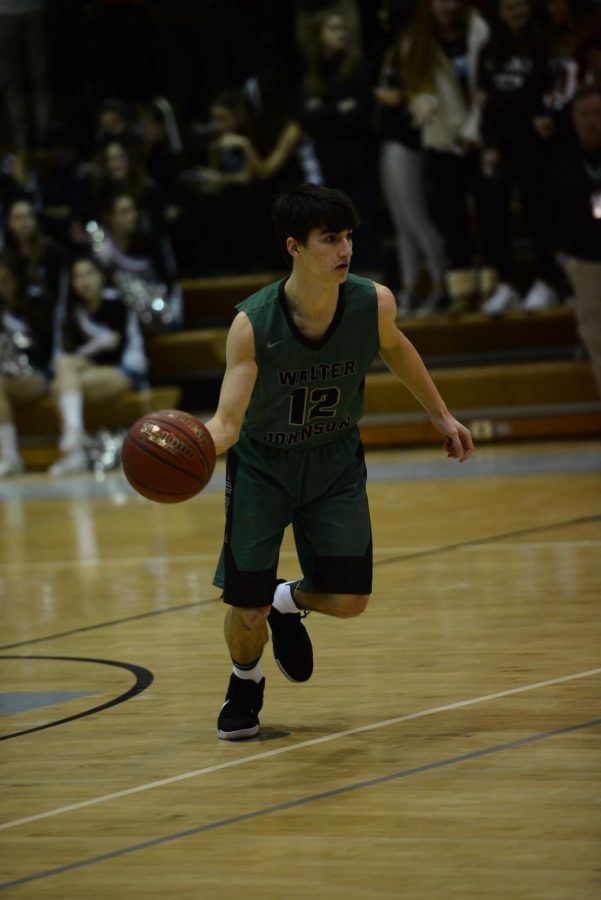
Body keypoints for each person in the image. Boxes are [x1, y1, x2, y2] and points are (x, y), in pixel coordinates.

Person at [204, 183, 474, 740]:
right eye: (330, 239)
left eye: (348, 236)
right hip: (263, 468)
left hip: (334, 463)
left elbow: (396, 348)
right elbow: (227, 424)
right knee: (244, 610)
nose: (345, 249)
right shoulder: (253, 325)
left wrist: (441, 416)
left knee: (351, 601)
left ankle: (288, 599)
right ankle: (244, 679)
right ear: (294, 247)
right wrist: (186, 447)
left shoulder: (372, 302)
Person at [404, 0, 490, 313]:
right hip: (441, 140)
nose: (447, 6)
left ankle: (494, 285)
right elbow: (415, 86)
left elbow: (486, 86)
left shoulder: (479, 30)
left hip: (481, 136)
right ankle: (462, 290)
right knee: (451, 218)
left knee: (488, 214)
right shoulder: (418, 40)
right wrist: (421, 104)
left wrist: (474, 130)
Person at [477, 0, 559, 314]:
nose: (516, 13)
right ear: (498, 12)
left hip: (534, 142)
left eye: (520, 6)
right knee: (491, 212)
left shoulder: (542, 43)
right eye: (509, 7)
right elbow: (485, 101)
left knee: (537, 212)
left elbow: (544, 91)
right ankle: (507, 282)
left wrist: (533, 112)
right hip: (500, 143)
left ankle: (547, 281)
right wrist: (490, 145)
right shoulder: (490, 48)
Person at [374, 0, 448, 313]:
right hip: (390, 141)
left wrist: (390, 96)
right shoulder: (395, 47)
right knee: (401, 221)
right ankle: (410, 289)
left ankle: (442, 288)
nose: (379, 14)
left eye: (384, 9)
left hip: (408, 141)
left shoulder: (415, 47)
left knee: (416, 218)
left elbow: (422, 92)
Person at [49, 255, 148, 476]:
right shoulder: (73, 311)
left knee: (61, 386)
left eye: (89, 274)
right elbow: (73, 353)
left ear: (101, 276)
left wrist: (83, 356)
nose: (84, 281)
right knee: (65, 371)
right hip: (90, 370)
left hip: (126, 369)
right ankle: (75, 439)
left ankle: (75, 447)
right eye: (78, 276)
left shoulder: (115, 303)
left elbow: (114, 350)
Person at [548, 85, 601, 395]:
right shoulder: (563, 162)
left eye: (597, 113)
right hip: (584, 262)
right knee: (595, 335)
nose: (592, 120)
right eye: (585, 114)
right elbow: (549, 215)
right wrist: (563, 258)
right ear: (574, 119)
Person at [0, 252, 54, 477]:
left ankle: (10, 457)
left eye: (5, 280)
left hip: (39, 374)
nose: (1, 286)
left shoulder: (35, 305)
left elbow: (49, 347)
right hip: (8, 376)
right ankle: (9, 457)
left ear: (17, 278)